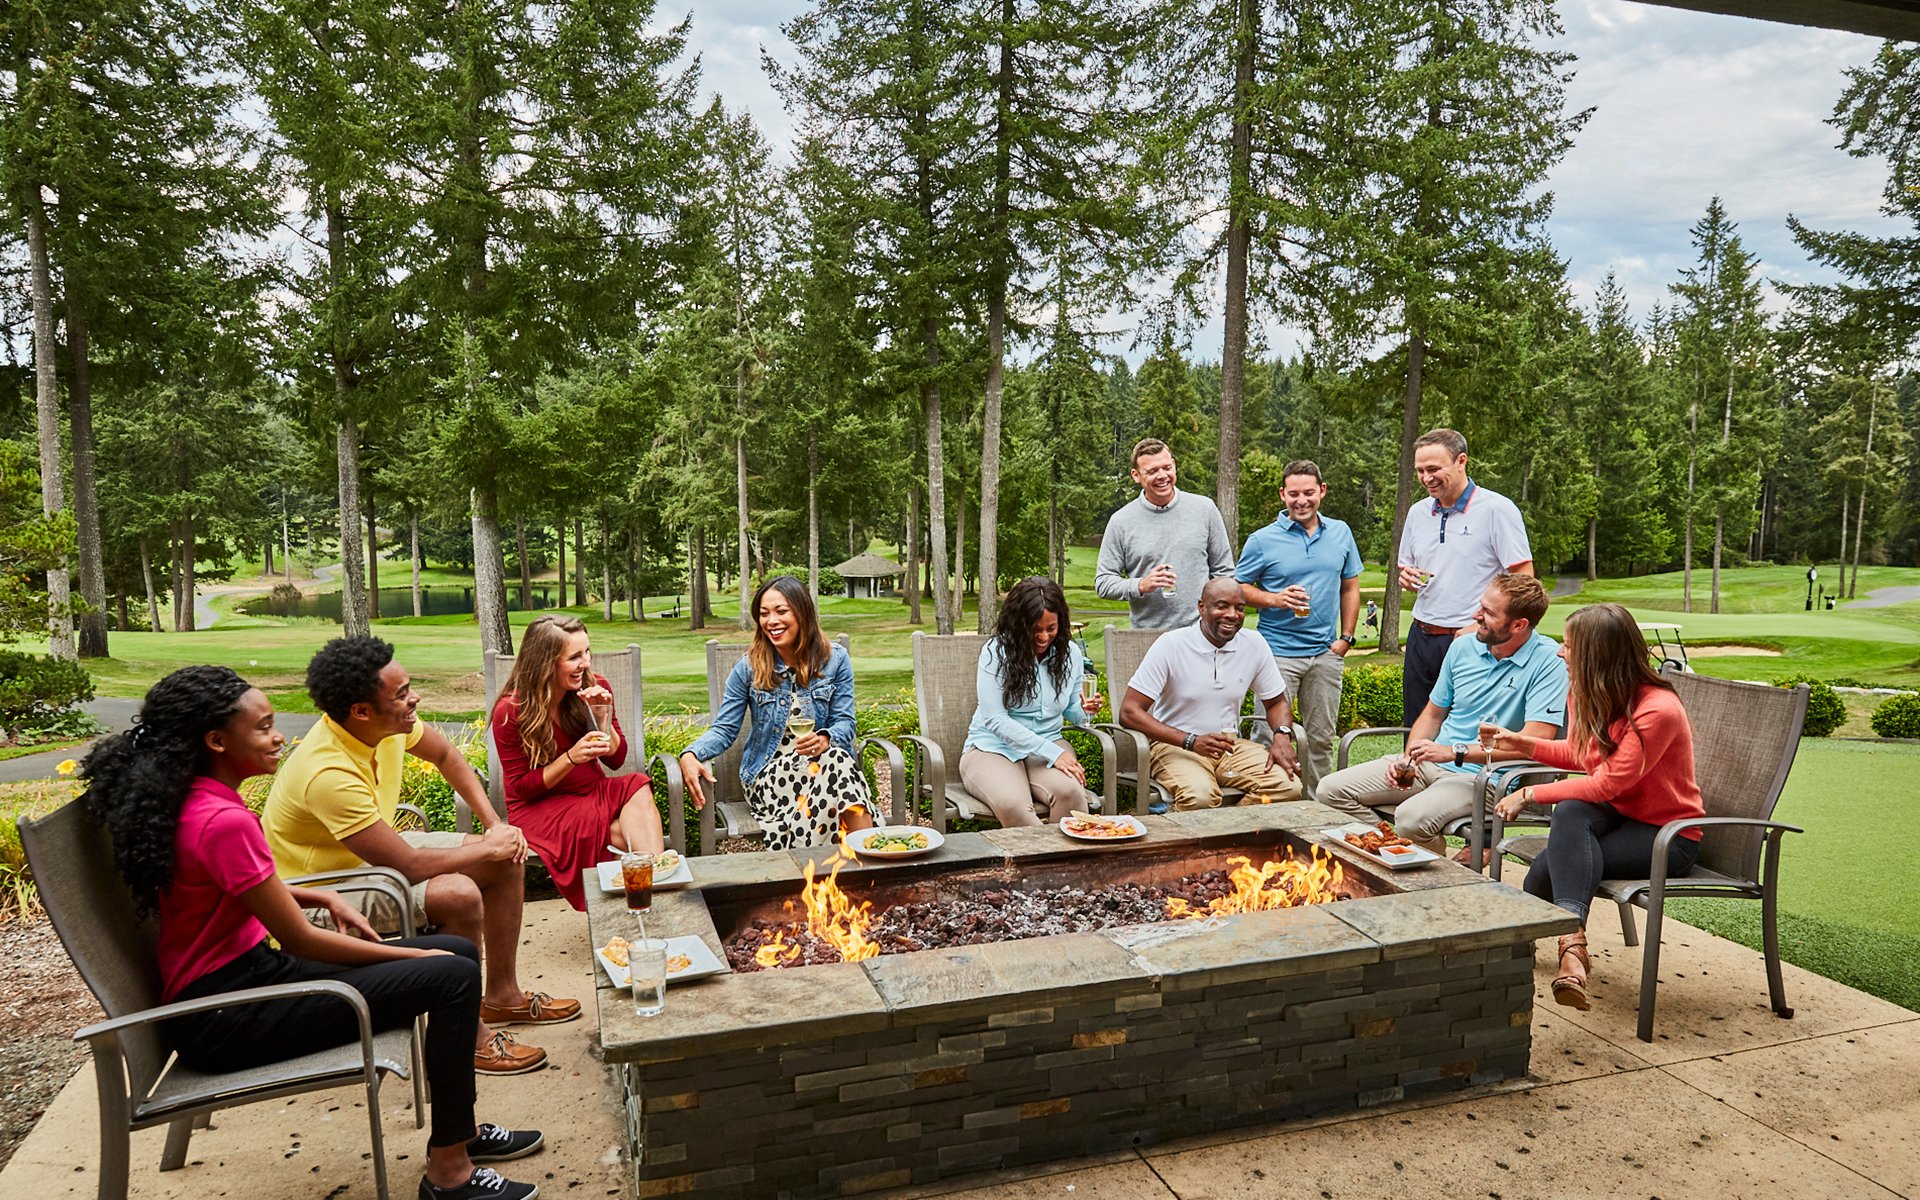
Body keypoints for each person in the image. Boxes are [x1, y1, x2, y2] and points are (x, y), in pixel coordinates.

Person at [84, 666, 544, 1200]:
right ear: (216, 741)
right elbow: (302, 941)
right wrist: (411, 961)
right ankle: (450, 1173)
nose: (279, 737)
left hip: (240, 987)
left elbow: (222, 887)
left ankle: (457, 1132)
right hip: (228, 1016)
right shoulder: (223, 821)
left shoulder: (199, 802)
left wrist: (314, 894)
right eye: (263, 728)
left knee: (456, 951)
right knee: (451, 974)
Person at [265, 637, 571, 1077]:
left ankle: (502, 996)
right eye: (402, 694)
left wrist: (494, 827)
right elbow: (406, 866)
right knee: (458, 895)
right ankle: (467, 1037)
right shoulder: (326, 772)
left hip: (368, 861)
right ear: (361, 711)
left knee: (505, 858)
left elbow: (446, 754)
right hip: (318, 894)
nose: (415, 699)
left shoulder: (388, 724)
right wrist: (488, 845)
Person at [1483, 604, 1704, 1011]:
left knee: (1546, 870)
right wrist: (1521, 743)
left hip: (1667, 837)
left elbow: (1607, 782)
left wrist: (1529, 795)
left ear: (1596, 654)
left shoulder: (1658, 709)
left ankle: (1565, 952)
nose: (1560, 652)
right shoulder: (1591, 693)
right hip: (1618, 818)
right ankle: (1574, 948)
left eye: (1568, 646)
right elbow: (1582, 754)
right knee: (1568, 817)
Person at [1314, 574, 1566, 857]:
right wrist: (1408, 758)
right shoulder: (1463, 646)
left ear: (1518, 625)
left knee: (1411, 819)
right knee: (1330, 790)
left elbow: (1535, 743)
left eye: (1488, 612)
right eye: (1480, 606)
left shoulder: (1549, 661)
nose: (1476, 616)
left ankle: (1433, 873)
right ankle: (1393, 853)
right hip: (1430, 764)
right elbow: (1433, 714)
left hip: (1485, 778)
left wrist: (1453, 753)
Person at [679, 576, 880, 849]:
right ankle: (870, 860)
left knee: (834, 762)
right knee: (839, 768)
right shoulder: (748, 667)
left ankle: (825, 870)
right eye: (764, 614)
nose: (771, 621)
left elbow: (845, 722)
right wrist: (692, 753)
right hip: (769, 777)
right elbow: (725, 729)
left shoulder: (835, 659)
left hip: (824, 767)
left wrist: (825, 739)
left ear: (802, 613)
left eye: (781, 611)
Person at [490, 615, 664, 910]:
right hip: (541, 807)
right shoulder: (510, 711)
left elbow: (616, 759)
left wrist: (601, 714)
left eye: (587, 652)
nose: (586, 663)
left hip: (592, 791)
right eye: (574, 657)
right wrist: (571, 758)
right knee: (622, 835)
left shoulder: (595, 687)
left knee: (637, 784)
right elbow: (521, 788)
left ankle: (648, 895)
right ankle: (654, 900)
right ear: (545, 663)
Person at [1235, 460, 1364, 801]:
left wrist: (1346, 639)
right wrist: (1275, 599)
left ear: (1322, 491)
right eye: (1294, 494)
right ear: (1283, 494)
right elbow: (1239, 589)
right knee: (1269, 736)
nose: (1301, 500)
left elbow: (1350, 586)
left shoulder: (1341, 532)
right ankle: (1267, 807)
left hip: (1325, 655)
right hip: (1276, 655)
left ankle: (1316, 809)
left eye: (1309, 492)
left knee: (1321, 739)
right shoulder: (1262, 540)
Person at [1119, 578, 1303, 810]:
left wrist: (1282, 735)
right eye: (1222, 606)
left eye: (1239, 608)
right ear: (1201, 607)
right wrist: (1191, 740)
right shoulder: (1171, 645)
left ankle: (1231, 832)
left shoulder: (1254, 644)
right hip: (1175, 746)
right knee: (1200, 797)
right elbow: (1129, 712)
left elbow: (1276, 702)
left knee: (1287, 786)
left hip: (1230, 746)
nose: (1232, 615)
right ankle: (1214, 831)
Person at [1396, 429, 1535, 726]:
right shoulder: (1417, 512)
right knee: (1415, 726)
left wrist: (1479, 626)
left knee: (1466, 731)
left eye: (1434, 469)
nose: (1426, 478)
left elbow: (1524, 579)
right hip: (1421, 637)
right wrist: (1406, 577)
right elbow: (1407, 567)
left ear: (1461, 461)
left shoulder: (1497, 509)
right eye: (1420, 470)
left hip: (1474, 637)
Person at [959, 576, 1104, 827]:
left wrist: (1085, 710)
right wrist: (1054, 753)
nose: (1043, 637)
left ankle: (1066, 854)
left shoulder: (1070, 654)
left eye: (1051, 628)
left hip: (1048, 743)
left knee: (1071, 794)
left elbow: (1072, 711)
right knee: (1014, 805)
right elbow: (995, 720)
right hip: (993, 748)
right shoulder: (996, 652)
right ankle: (1046, 855)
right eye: (1035, 629)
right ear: (1018, 624)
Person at [1094, 437, 1236, 630]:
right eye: (1152, 471)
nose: (1162, 476)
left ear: (1174, 466)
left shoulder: (1205, 509)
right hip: (1147, 635)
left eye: (1166, 468)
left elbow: (1225, 573)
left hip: (1200, 633)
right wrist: (1141, 585)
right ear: (1136, 475)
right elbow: (1103, 583)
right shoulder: (1121, 521)